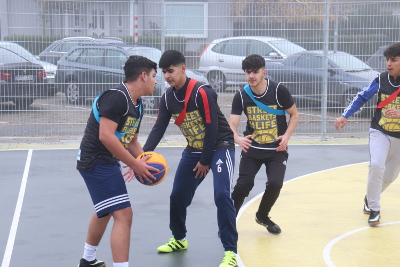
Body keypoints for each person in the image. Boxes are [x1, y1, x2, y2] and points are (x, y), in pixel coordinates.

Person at [143, 50, 238, 267]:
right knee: (177, 195)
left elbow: (213, 127)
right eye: (164, 72)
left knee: (222, 194)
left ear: (183, 68)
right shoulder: (168, 97)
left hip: (220, 146)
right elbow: (159, 128)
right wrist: (143, 155)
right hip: (194, 148)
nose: (167, 76)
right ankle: (179, 238)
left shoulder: (202, 92)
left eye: (171, 71)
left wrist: (205, 161)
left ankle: (230, 251)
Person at [76, 55, 159, 267]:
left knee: (105, 209)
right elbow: (106, 135)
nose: (156, 81)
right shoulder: (117, 97)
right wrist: (134, 164)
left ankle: (87, 259)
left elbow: (130, 139)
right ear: (143, 76)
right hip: (95, 161)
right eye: (153, 76)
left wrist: (142, 159)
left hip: (106, 160)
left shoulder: (137, 104)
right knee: (124, 214)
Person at [229, 54, 299, 234]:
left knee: (275, 183)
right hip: (252, 149)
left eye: (255, 72)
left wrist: (286, 137)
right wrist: (237, 138)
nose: (251, 76)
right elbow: (232, 125)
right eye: (247, 72)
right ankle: (229, 220)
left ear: (264, 72)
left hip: (276, 149)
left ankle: (262, 216)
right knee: (243, 185)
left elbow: (294, 114)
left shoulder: (278, 91)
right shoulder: (241, 95)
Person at [335, 43, 400, 227]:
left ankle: (369, 197)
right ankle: (375, 209)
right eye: (387, 59)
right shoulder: (381, 80)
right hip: (380, 131)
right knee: (377, 165)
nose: (389, 63)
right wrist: (344, 115)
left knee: (389, 177)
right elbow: (362, 96)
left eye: (394, 60)